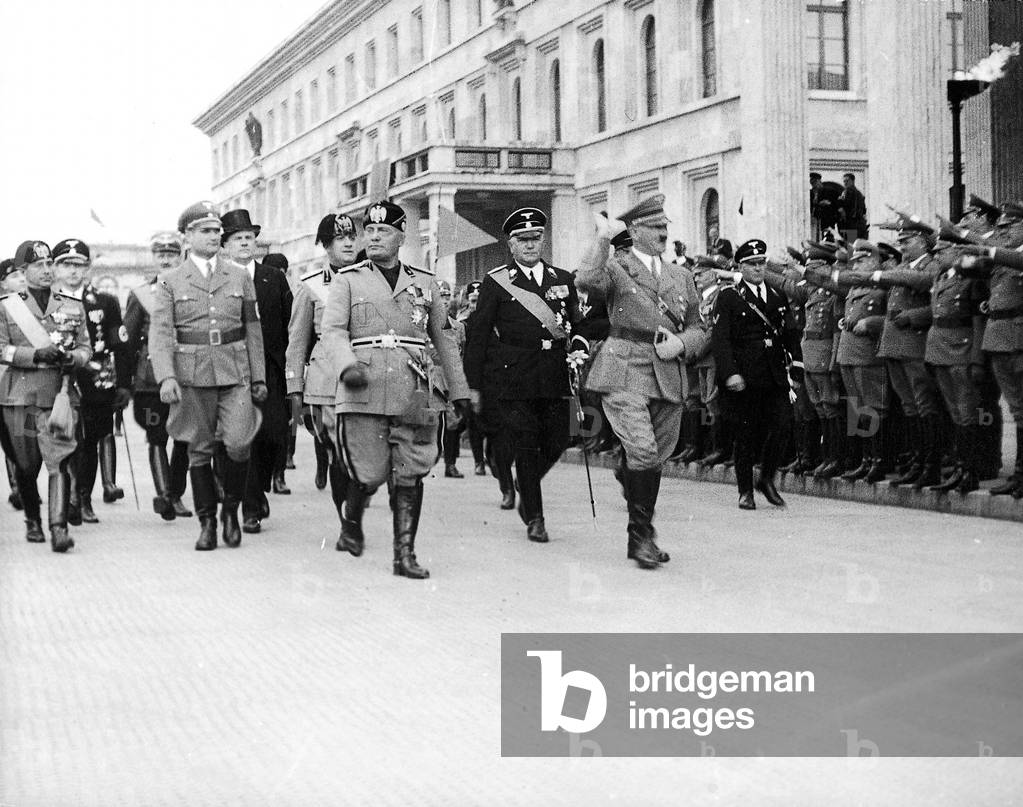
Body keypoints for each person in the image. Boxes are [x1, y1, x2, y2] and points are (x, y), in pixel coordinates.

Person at [321, 200, 471, 579]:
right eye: (368, 231)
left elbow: (445, 339)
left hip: (414, 389)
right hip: (363, 386)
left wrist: (460, 392)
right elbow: (333, 332)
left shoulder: (425, 282)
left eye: (382, 231)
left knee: (410, 472)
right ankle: (351, 521)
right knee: (368, 473)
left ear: (401, 237)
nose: (372, 237)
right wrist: (346, 366)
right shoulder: (348, 279)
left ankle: (404, 555)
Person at [576, 196, 707, 567]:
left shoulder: (681, 276)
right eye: (654, 227)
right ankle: (640, 540)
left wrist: (682, 343)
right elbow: (585, 280)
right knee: (645, 453)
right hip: (624, 369)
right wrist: (603, 239)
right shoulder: (617, 267)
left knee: (654, 457)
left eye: (665, 226)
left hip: (668, 372)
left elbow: (700, 326)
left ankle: (638, 507)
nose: (664, 232)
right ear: (634, 232)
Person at [149, 201, 267, 551]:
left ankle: (231, 509)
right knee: (198, 450)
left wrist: (258, 376)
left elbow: (253, 329)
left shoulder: (239, 276)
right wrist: (166, 377)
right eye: (206, 230)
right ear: (187, 236)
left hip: (235, 372)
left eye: (217, 230)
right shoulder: (170, 281)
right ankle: (207, 523)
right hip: (191, 374)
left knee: (238, 442)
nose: (214, 236)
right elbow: (161, 333)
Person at [463, 207, 583, 544]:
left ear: (542, 240)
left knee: (559, 439)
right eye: (522, 239)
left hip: (557, 374)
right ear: (511, 244)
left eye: (535, 238)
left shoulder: (562, 279)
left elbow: (576, 322)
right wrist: (473, 385)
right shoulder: (497, 281)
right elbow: (480, 336)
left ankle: (524, 483)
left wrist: (580, 343)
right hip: (514, 378)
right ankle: (535, 517)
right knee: (527, 446)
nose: (530, 245)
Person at [0, 240, 91, 550]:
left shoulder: (71, 305)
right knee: (26, 465)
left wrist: (74, 359)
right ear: (23, 271)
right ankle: (33, 520)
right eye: (38, 265)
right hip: (20, 399)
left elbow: (85, 347)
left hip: (58, 397)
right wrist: (35, 355)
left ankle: (58, 526)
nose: (46, 270)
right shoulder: (7, 305)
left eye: (49, 264)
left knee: (60, 460)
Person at [712, 238, 803, 510]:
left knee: (783, 425)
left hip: (774, 374)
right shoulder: (729, 296)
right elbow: (721, 339)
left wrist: (796, 364)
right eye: (751, 264)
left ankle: (766, 478)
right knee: (746, 433)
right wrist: (730, 373)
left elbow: (789, 333)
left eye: (761, 263)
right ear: (741, 266)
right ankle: (745, 491)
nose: (758, 268)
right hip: (745, 376)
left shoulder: (776, 296)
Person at [218, 209, 293, 534]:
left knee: (272, 435)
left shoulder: (273, 277)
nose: (245, 243)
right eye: (238, 238)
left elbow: (290, 322)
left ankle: (260, 488)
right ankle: (250, 507)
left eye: (249, 237)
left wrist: (290, 363)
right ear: (225, 246)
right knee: (243, 436)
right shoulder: (219, 280)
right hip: (234, 371)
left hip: (271, 369)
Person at [285, 214, 361, 535]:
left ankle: (353, 513)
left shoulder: (370, 278)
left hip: (364, 375)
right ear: (326, 245)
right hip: (326, 380)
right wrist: (295, 389)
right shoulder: (311, 285)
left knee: (362, 452)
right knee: (338, 454)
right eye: (337, 238)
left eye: (350, 237)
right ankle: (346, 519)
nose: (346, 243)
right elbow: (297, 340)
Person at [51, 240, 131, 524]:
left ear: (87, 267)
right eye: (66, 264)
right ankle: (66, 497)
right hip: (58, 378)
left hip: (96, 376)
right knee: (66, 440)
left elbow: (119, 344)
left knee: (92, 439)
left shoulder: (105, 301)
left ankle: (83, 498)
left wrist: (123, 384)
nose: (73, 271)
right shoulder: (45, 302)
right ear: (56, 267)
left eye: (79, 264)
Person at [123, 231, 192, 520]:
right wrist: (124, 383)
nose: (166, 260)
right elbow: (127, 341)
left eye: (171, 254)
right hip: (150, 381)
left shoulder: (191, 289)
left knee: (184, 438)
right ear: (154, 258)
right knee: (157, 435)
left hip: (186, 375)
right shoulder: (140, 295)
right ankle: (166, 496)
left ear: (180, 257)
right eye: (161, 255)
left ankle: (175, 492)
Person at [957, 199, 1023, 497]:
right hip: (999, 337)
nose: (1004, 232)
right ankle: (1019, 475)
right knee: (1017, 409)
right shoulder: (1002, 259)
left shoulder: (1011, 256)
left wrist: (978, 243)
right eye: (1002, 227)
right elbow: (965, 268)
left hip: (1017, 339)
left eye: (1010, 226)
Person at [1, 259, 26, 510]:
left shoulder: (31, 311)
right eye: (14, 275)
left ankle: (19, 487)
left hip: (16, 385)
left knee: (16, 438)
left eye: (22, 274)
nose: (21, 278)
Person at [838, 173, 868, 239]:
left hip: (852, 225)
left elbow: (846, 207)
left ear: (853, 181)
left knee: (851, 246)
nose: (845, 183)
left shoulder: (850, 192)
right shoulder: (858, 193)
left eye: (847, 181)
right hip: (858, 225)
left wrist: (840, 201)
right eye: (844, 181)